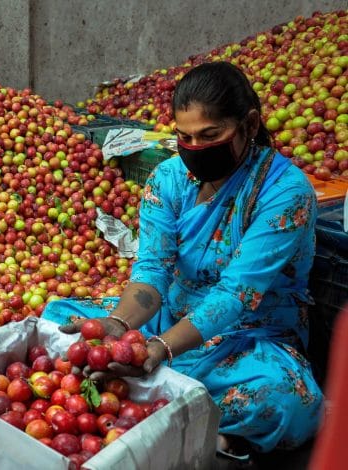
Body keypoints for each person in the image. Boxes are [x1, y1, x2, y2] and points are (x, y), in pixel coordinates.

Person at [43, 61, 324, 462]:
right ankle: (178, 411)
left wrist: (159, 350)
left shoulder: (284, 192)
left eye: (211, 135)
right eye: (185, 137)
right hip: (171, 316)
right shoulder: (169, 179)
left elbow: (236, 294)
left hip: (250, 335)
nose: (196, 148)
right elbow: (152, 270)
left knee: (284, 400)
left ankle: (160, 401)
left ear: (249, 124)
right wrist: (117, 325)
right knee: (58, 320)